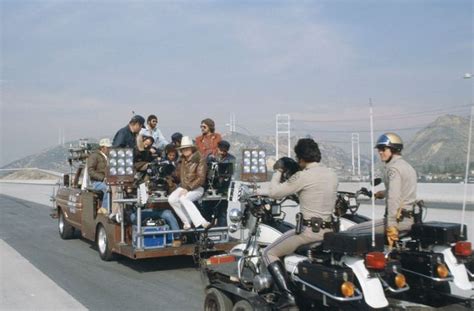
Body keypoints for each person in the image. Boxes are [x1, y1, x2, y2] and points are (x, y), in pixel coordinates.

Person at [258, 138, 338, 308]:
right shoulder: (331, 174)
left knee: (268, 253)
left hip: (308, 233)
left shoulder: (303, 176)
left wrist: (278, 170)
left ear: (301, 158)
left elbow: (273, 192)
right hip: (330, 232)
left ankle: (288, 297)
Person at [347, 133, 417, 248]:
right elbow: (402, 189)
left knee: (352, 231)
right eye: (379, 149)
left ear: (393, 149)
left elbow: (393, 198)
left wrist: (392, 225)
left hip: (399, 221)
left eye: (383, 149)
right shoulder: (407, 166)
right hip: (409, 217)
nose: (380, 152)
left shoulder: (393, 169)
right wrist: (382, 193)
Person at [168, 136, 210, 230]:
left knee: (184, 198)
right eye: (183, 149)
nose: (185, 151)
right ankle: (187, 221)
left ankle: (202, 222)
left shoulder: (200, 159)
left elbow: (201, 178)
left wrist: (188, 188)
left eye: (187, 148)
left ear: (192, 148)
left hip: (197, 187)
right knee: (171, 199)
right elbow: (177, 176)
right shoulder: (181, 160)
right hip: (184, 187)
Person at [87, 138, 112, 211]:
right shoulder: (94, 156)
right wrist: (103, 178)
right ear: (102, 148)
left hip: (109, 181)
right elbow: (90, 171)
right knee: (107, 188)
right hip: (97, 182)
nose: (109, 149)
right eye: (108, 148)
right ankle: (104, 210)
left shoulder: (109, 157)